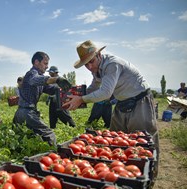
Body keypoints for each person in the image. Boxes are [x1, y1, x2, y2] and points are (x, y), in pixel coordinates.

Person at [65, 40, 159, 174]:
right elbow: (94, 87)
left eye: (91, 62)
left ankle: (149, 174)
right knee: (115, 140)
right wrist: (76, 96)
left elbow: (105, 93)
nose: (90, 67)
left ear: (99, 55)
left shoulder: (111, 65)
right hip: (122, 102)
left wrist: (81, 99)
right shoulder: (97, 69)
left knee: (143, 141)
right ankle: (121, 172)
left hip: (139, 100)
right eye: (86, 64)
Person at [13, 51, 72, 146]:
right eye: (45, 63)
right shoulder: (31, 73)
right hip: (27, 113)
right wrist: (56, 79)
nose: (47, 66)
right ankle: (52, 154)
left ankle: (28, 155)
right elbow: (35, 80)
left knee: (23, 137)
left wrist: (62, 88)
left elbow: (50, 89)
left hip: (21, 112)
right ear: (36, 62)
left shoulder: (39, 78)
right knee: (49, 135)